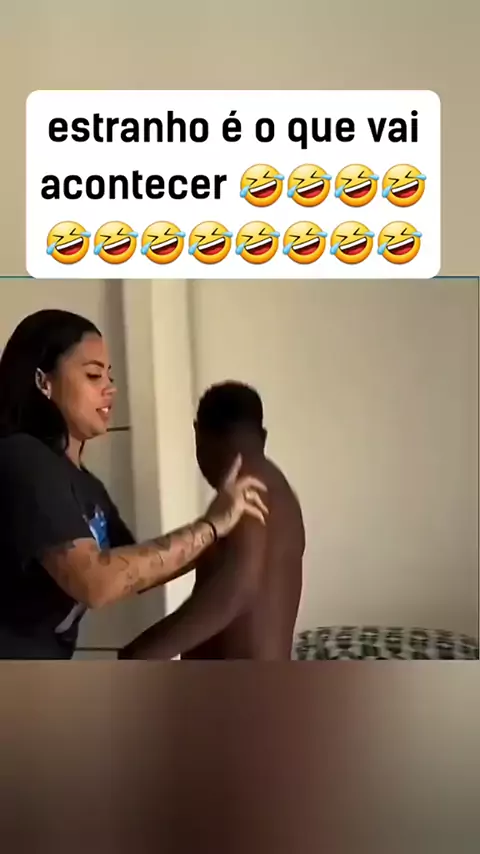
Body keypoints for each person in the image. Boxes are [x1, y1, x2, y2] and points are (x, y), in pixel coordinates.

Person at [0, 311, 267, 660]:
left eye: (109, 376)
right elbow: (97, 582)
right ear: (43, 381)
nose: (109, 388)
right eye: (93, 375)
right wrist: (211, 527)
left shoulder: (86, 484)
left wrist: (225, 531)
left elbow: (138, 568)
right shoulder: (23, 458)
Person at [120, 382, 305, 660]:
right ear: (263, 436)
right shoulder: (282, 494)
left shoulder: (245, 492)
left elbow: (239, 587)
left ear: (199, 434)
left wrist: (145, 651)